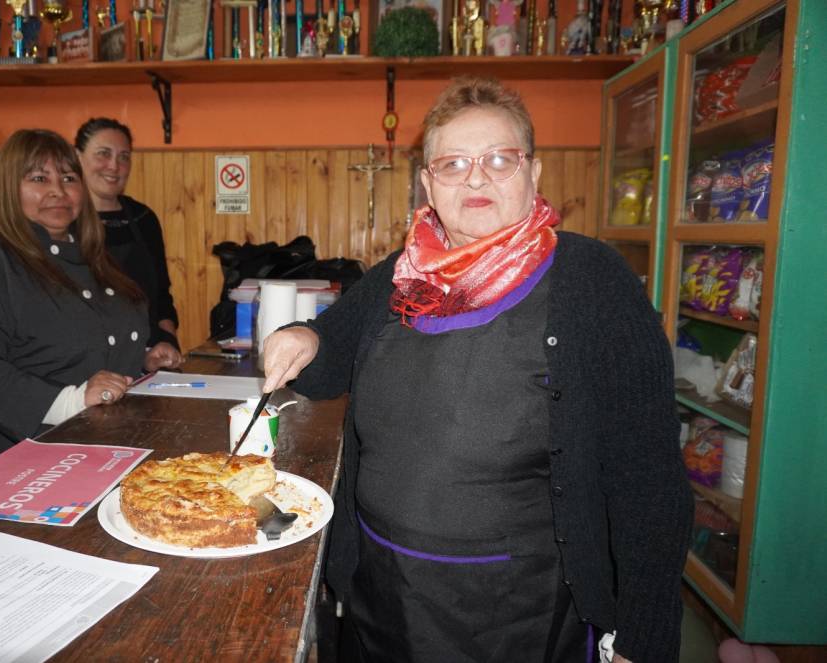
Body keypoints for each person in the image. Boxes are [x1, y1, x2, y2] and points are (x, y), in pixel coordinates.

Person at [262, 77, 693, 663]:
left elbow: (650, 481)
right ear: (427, 184)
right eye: (454, 163)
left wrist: (643, 638)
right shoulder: (402, 274)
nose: (475, 177)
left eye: (499, 159)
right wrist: (302, 335)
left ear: (534, 174)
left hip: (519, 614)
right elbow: (327, 360)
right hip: (382, 593)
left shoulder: (593, 281)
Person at [0, 129, 149, 486]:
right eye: (39, 178)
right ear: (9, 188)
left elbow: (95, 337)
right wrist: (67, 402)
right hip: (8, 476)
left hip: (101, 458)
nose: (58, 191)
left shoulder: (93, 258)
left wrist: (145, 353)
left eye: (69, 178)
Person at [75, 118, 182, 370]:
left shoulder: (143, 218)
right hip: (88, 364)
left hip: (149, 358)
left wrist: (169, 345)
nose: (114, 166)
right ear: (78, 157)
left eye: (124, 157)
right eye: (103, 154)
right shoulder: (65, 222)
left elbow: (161, 297)